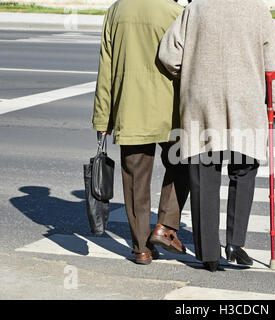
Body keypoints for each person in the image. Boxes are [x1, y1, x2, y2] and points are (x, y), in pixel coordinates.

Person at [159, 0, 275, 272]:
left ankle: (208, 253)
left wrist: (190, 73)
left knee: (204, 171)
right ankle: (235, 243)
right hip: (245, 99)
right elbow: (271, 62)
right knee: (244, 168)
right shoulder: (257, 9)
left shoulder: (197, 8)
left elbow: (168, 54)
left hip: (203, 99)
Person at [92, 0, 189, 265]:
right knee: (183, 164)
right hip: (171, 110)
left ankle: (141, 249)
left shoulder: (116, 10)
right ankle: (165, 226)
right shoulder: (176, 12)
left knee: (135, 179)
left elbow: (106, 69)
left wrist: (102, 118)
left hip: (130, 108)